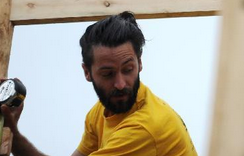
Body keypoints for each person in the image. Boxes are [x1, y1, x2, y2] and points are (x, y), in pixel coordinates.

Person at [2, 12, 198, 156]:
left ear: (140, 63)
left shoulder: (144, 128)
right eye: (108, 74)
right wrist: (13, 134)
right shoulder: (101, 113)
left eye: (128, 69)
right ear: (87, 72)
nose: (121, 84)